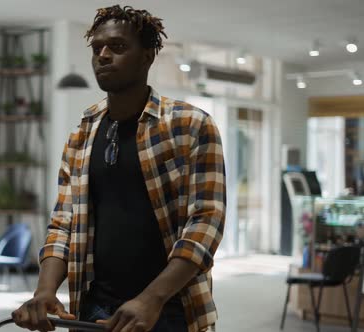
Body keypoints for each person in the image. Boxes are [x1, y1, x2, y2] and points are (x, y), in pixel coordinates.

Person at [12, 5, 226, 332]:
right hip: (95, 303)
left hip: (168, 306)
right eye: (97, 48)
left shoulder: (190, 125)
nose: (104, 55)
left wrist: (152, 298)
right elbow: (63, 224)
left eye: (118, 47)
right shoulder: (82, 134)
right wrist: (44, 291)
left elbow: (205, 221)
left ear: (148, 56)